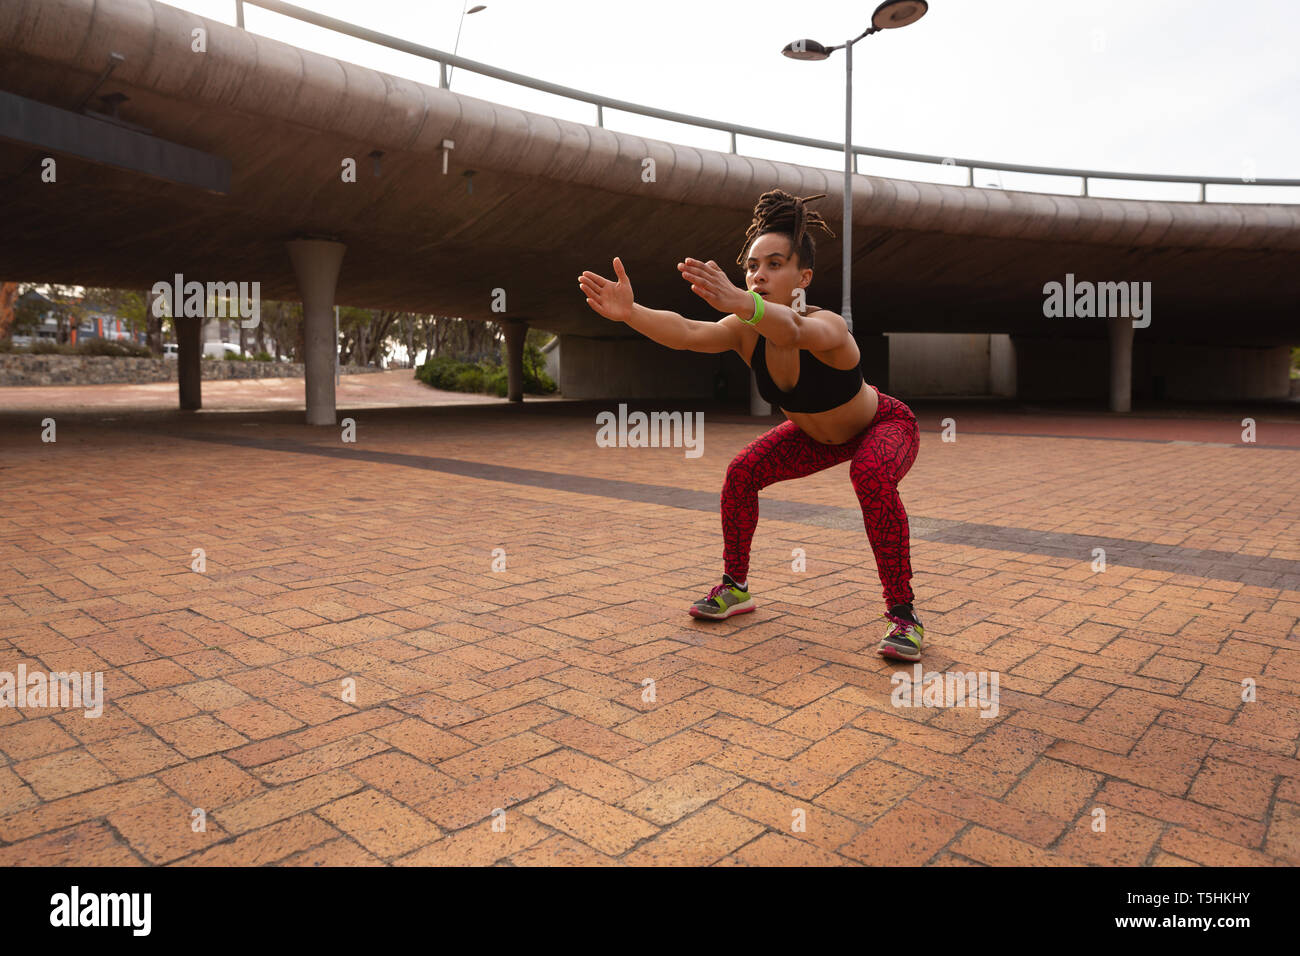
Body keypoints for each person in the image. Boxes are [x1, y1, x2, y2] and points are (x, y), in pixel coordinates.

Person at [578, 188, 924, 660]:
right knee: (742, 473)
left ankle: (903, 617)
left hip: (882, 426)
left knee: (869, 474)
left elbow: (795, 330)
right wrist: (630, 313)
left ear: (803, 277)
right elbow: (687, 332)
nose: (759, 275)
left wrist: (744, 302)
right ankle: (735, 586)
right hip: (816, 439)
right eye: (753, 266)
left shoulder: (829, 327)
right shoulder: (745, 332)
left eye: (774, 265)